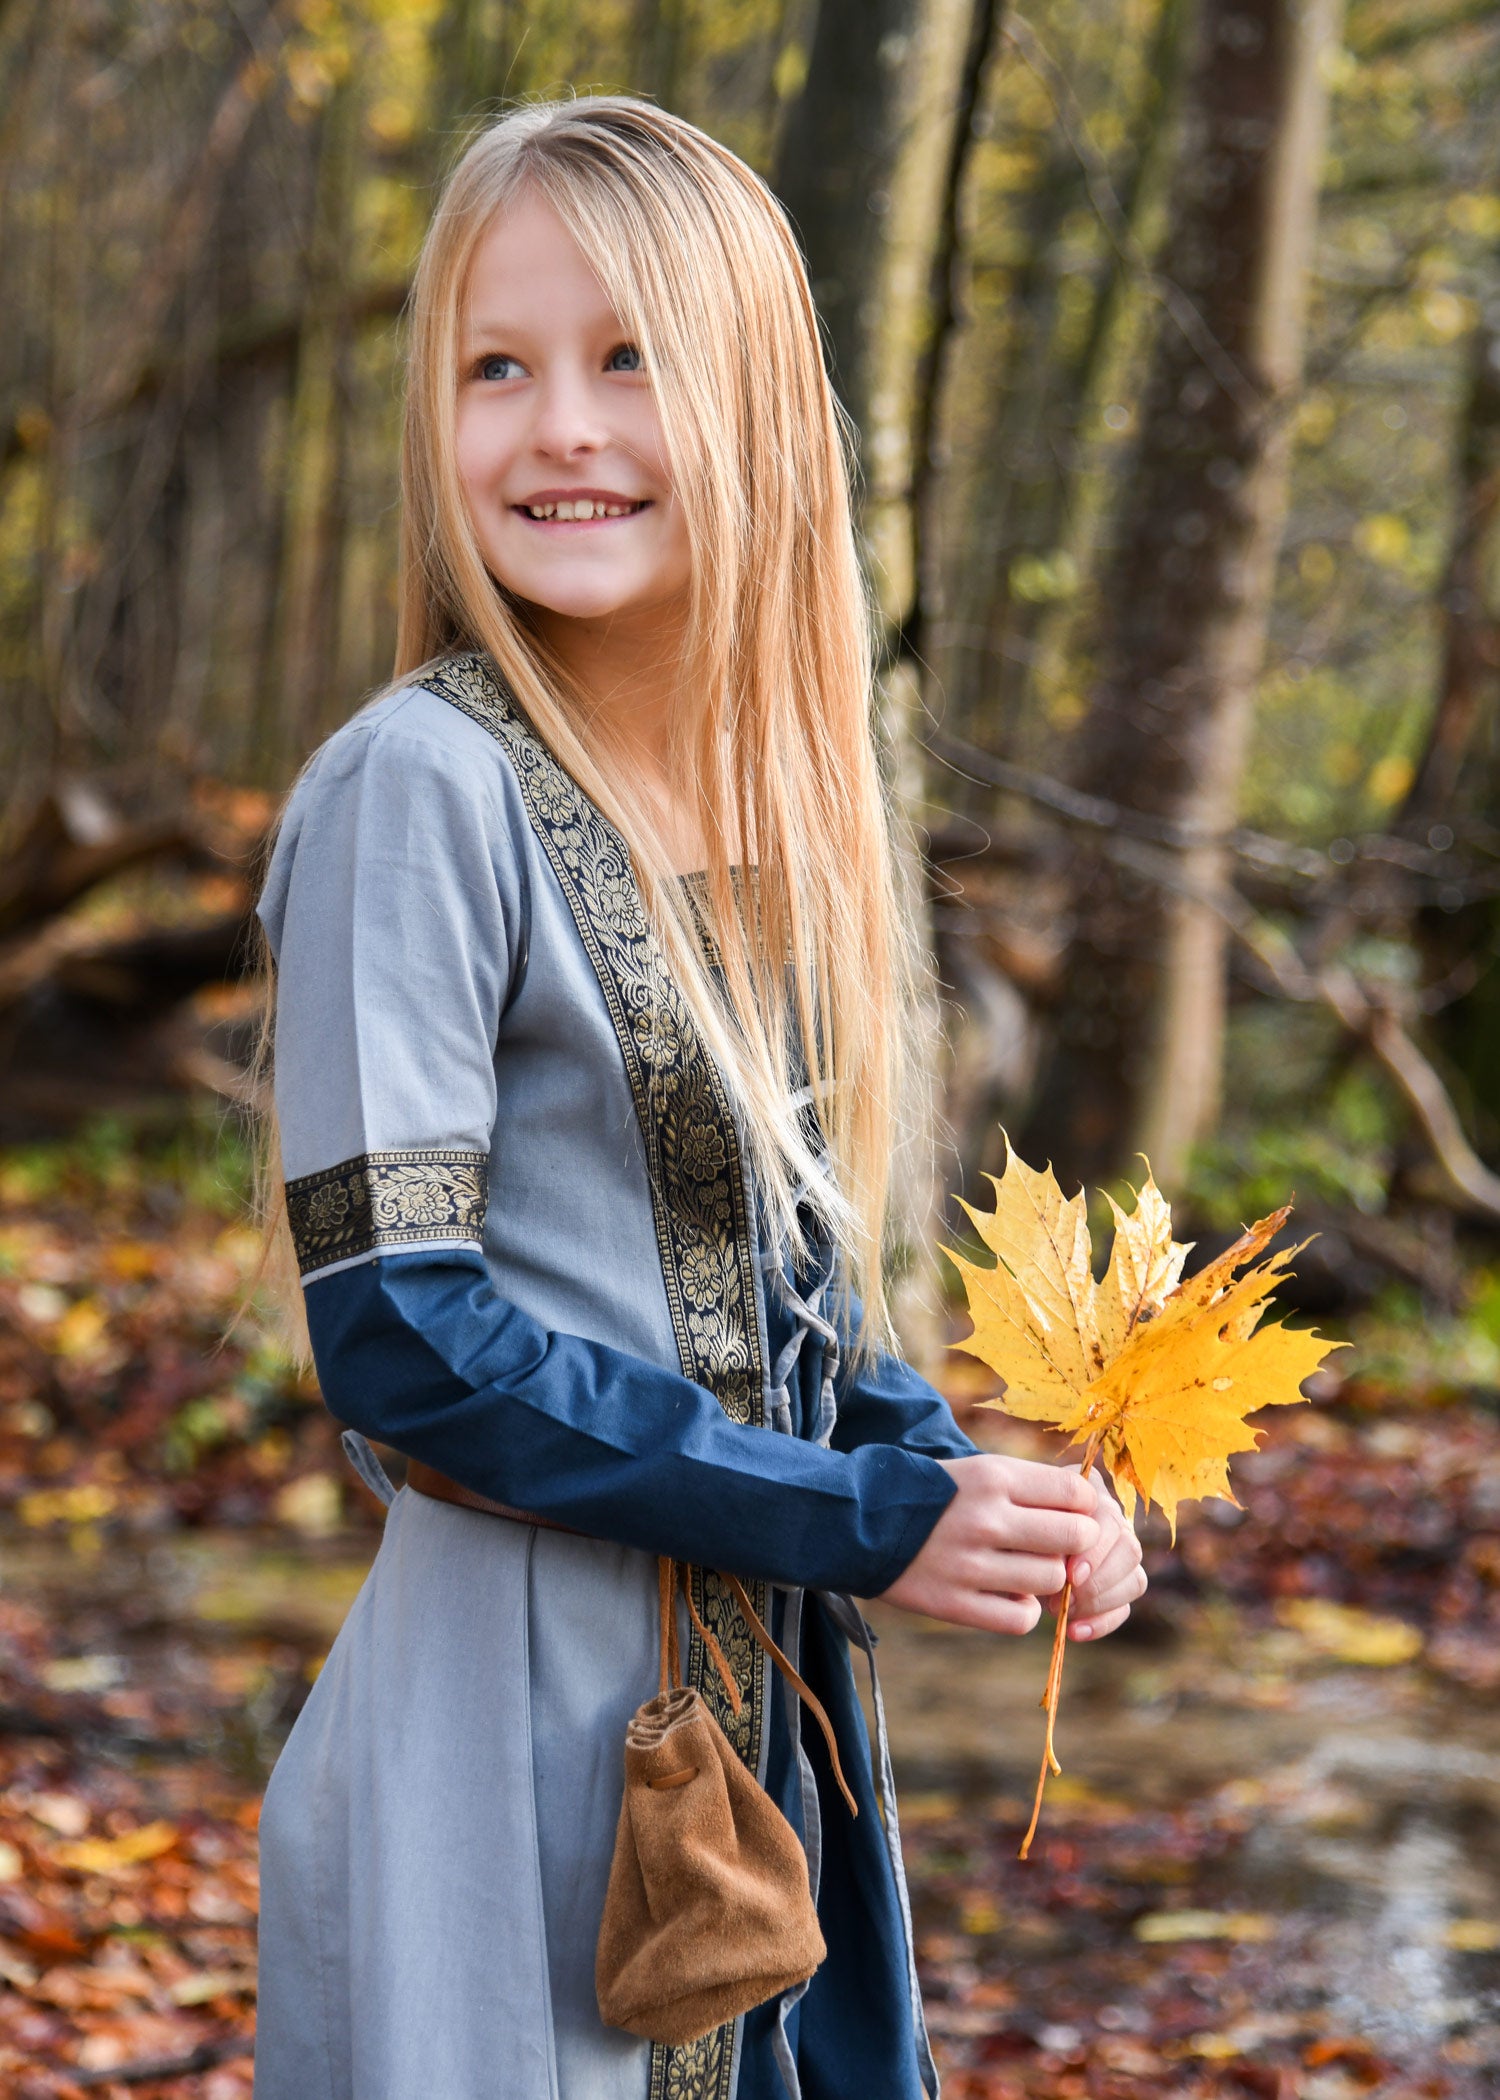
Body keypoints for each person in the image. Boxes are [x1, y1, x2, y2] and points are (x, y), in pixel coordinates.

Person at [249, 96, 1146, 2100]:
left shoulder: (768, 819)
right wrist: (857, 1516)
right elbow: (403, 1337)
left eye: (629, 358)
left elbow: (791, 1317)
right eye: (500, 366)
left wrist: (968, 1498)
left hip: (760, 1728)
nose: (559, 426)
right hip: (518, 1749)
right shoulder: (423, 788)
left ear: (753, 399)